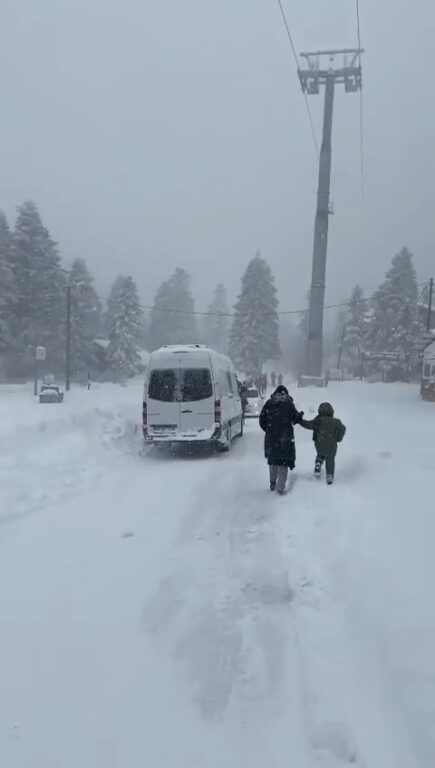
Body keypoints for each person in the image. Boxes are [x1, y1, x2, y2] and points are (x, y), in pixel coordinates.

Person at [259, 385, 303, 495]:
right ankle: (280, 489)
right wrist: (299, 416)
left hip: (272, 438)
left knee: (273, 461)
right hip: (285, 439)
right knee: (283, 464)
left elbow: (262, 420)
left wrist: (269, 430)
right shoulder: (288, 404)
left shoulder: (269, 403)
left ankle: (272, 483)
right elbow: (295, 418)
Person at [300, 402, 346, 485]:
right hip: (331, 445)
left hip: (319, 443)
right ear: (331, 411)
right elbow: (342, 429)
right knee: (330, 459)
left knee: (321, 453)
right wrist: (338, 438)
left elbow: (308, 425)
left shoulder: (318, 420)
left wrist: (299, 420)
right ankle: (329, 476)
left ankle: (318, 462)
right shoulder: (336, 422)